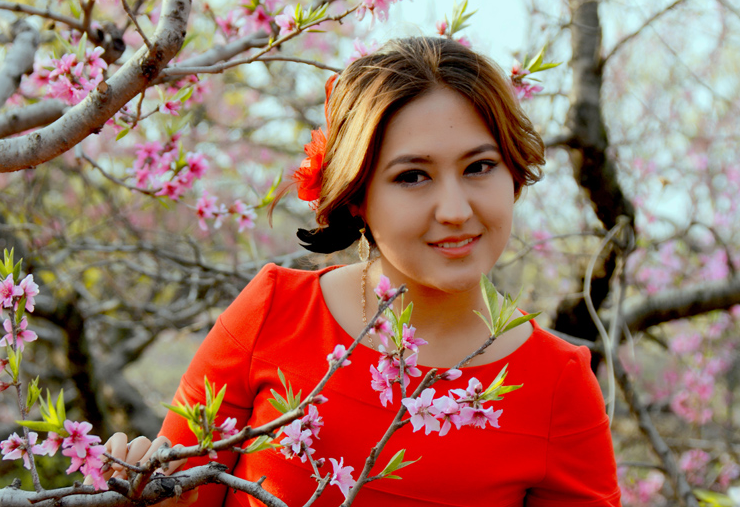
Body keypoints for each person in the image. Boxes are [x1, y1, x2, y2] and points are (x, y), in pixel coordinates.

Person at [94, 37, 621, 506]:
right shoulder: (273, 314)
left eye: (479, 166)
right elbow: (187, 491)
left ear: (514, 174)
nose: (456, 210)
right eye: (412, 176)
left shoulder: (558, 385)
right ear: (357, 196)